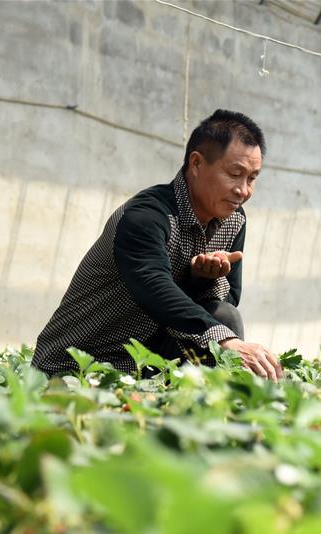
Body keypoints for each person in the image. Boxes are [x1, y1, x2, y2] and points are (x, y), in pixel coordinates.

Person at [32, 109, 283, 381]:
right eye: (235, 174)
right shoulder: (146, 217)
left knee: (224, 316)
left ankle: (215, 415)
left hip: (149, 361)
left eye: (252, 178)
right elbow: (152, 287)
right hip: (77, 364)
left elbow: (228, 298)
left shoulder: (234, 220)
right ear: (196, 164)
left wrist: (202, 280)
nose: (243, 190)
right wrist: (227, 343)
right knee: (221, 331)